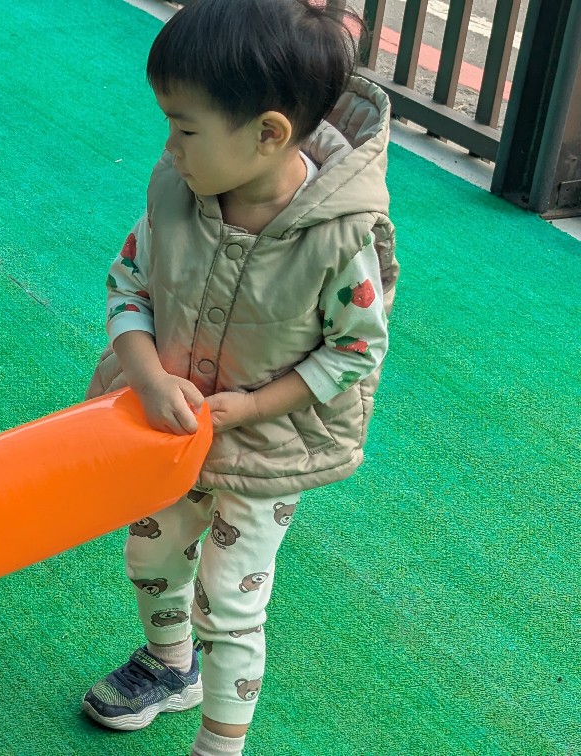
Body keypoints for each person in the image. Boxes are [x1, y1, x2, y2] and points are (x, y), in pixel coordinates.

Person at [80, 1, 397, 754]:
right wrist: (147, 376)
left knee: (228, 602)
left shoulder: (340, 238)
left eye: (185, 128)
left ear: (268, 134)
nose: (170, 146)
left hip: (262, 453)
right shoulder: (175, 193)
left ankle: (220, 743)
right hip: (170, 434)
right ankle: (169, 666)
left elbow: (355, 351)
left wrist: (253, 406)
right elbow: (128, 284)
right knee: (150, 557)